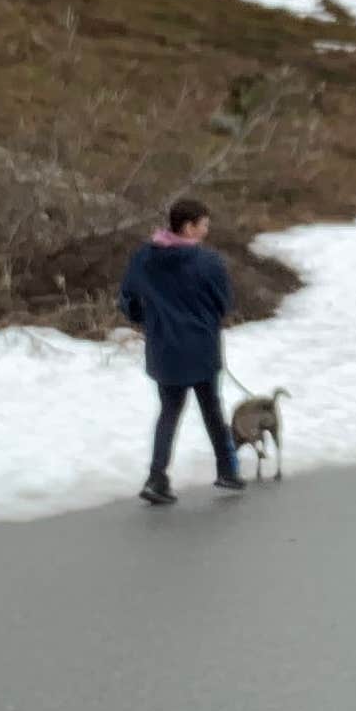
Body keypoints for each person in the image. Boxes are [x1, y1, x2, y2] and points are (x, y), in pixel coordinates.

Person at [119, 196, 245, 504]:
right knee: (212, 409)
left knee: (169, 412)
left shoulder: (144, 259)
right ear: (188, 227)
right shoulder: (208, 262)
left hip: (164, 348)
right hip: (201, 346)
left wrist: (145, 320)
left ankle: (156, 477)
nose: (206, 230)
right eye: (203, 225)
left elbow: (128, 297)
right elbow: (222, 304)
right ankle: (228, 470)